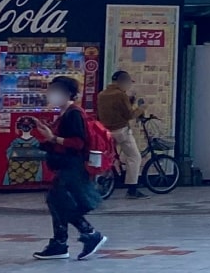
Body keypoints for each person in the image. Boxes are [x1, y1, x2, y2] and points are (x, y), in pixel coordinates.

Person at [28, 75, 106, 260]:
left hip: (72, 166)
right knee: (56, 202)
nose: (51, 94)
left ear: (68, 93)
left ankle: (90, 234)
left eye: (55, 91)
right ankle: (60, 243)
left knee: (60, 202)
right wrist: (46, 137)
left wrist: (53, 138)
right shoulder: (64, 114)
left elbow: (77, 143)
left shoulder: (74, 114)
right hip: (65, 165)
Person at [96, 71, 143, 199]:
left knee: (112, 155)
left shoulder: (102, 94)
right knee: (134, 157)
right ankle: (132, 189)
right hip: (121, 130)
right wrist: (141, 109)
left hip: (105, 131)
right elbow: (129, 115)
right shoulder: (120, 95)